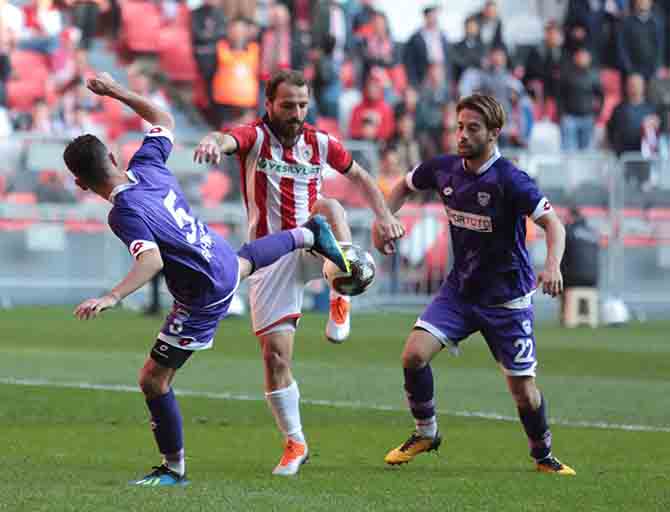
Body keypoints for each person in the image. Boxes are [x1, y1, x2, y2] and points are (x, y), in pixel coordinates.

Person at [64, 72, 350, 486]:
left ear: (79, 183)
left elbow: (151, 261)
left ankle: (173, 469)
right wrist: (115, 91)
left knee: (153, 380)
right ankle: (309, 234)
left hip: (201, 294)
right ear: (112, 155)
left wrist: (112, 296)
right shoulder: (146, 164)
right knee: (244, 263)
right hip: (216, 256)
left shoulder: (121, 212)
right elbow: (163, 116)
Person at [193, 69, 405, 475]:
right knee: (274, 358)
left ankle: (340, 299)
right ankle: (295, 442)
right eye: (288, 105)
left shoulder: (319, 142)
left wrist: (383, 217)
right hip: (270, 255)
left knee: (331, 208)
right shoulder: (255, 136)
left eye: (303, 105)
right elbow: (228, 139)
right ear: (269, 105)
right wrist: (212, 142)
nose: (296, 113)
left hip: (314, 243)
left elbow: (360, 176)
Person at [381, 93, 576, 476]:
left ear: (494, 133)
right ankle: (426, 432)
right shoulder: (444, 169)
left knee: (523, 392)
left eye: (473, 128)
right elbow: (404, 185)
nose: (462, 135)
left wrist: (552, 265)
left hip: (506, 300)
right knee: (413, 355)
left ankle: (543, 456)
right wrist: (383, 219)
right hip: (460, 291)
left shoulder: (511, 180)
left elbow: (553, 224)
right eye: (459, 127)